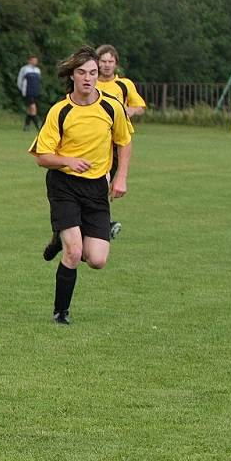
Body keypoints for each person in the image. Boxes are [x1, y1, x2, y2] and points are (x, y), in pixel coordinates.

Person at [28, 45, 132, 325]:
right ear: (72, 76)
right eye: (82, 72)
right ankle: (61, 313)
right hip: (64, 185)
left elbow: (124, 141)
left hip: (97, 188)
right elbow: (41, 157)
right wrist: (67, 161)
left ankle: (61, 236)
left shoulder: (111, 107)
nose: (88, 78)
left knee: (96, 259)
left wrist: (120, 176)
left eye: (93, 73)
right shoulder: (60, 112)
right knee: (74, 251)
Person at [96, 44, 146, 240]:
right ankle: (103, 225)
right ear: (97, 62)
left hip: (116, 144)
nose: (107, 65)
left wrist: (130, 111)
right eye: (103, 61)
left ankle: (101, 224)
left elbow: (140, 106)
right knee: (97, 184)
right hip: (94, 142)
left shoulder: (124, 85)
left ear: (116, 63)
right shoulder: (91, 83)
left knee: (105, 184)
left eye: (110, 61)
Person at [17, 54, 42, 131]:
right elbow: (20, 80)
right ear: (29, 61)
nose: (35, 62)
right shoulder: (24, 69)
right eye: (33, 60)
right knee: (33, 108)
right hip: (28, 92)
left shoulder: (38, 70)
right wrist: (22, 90)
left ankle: (26, 126)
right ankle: (38, 126)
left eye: (36, 60)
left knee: (31, 110)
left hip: (35, 92)